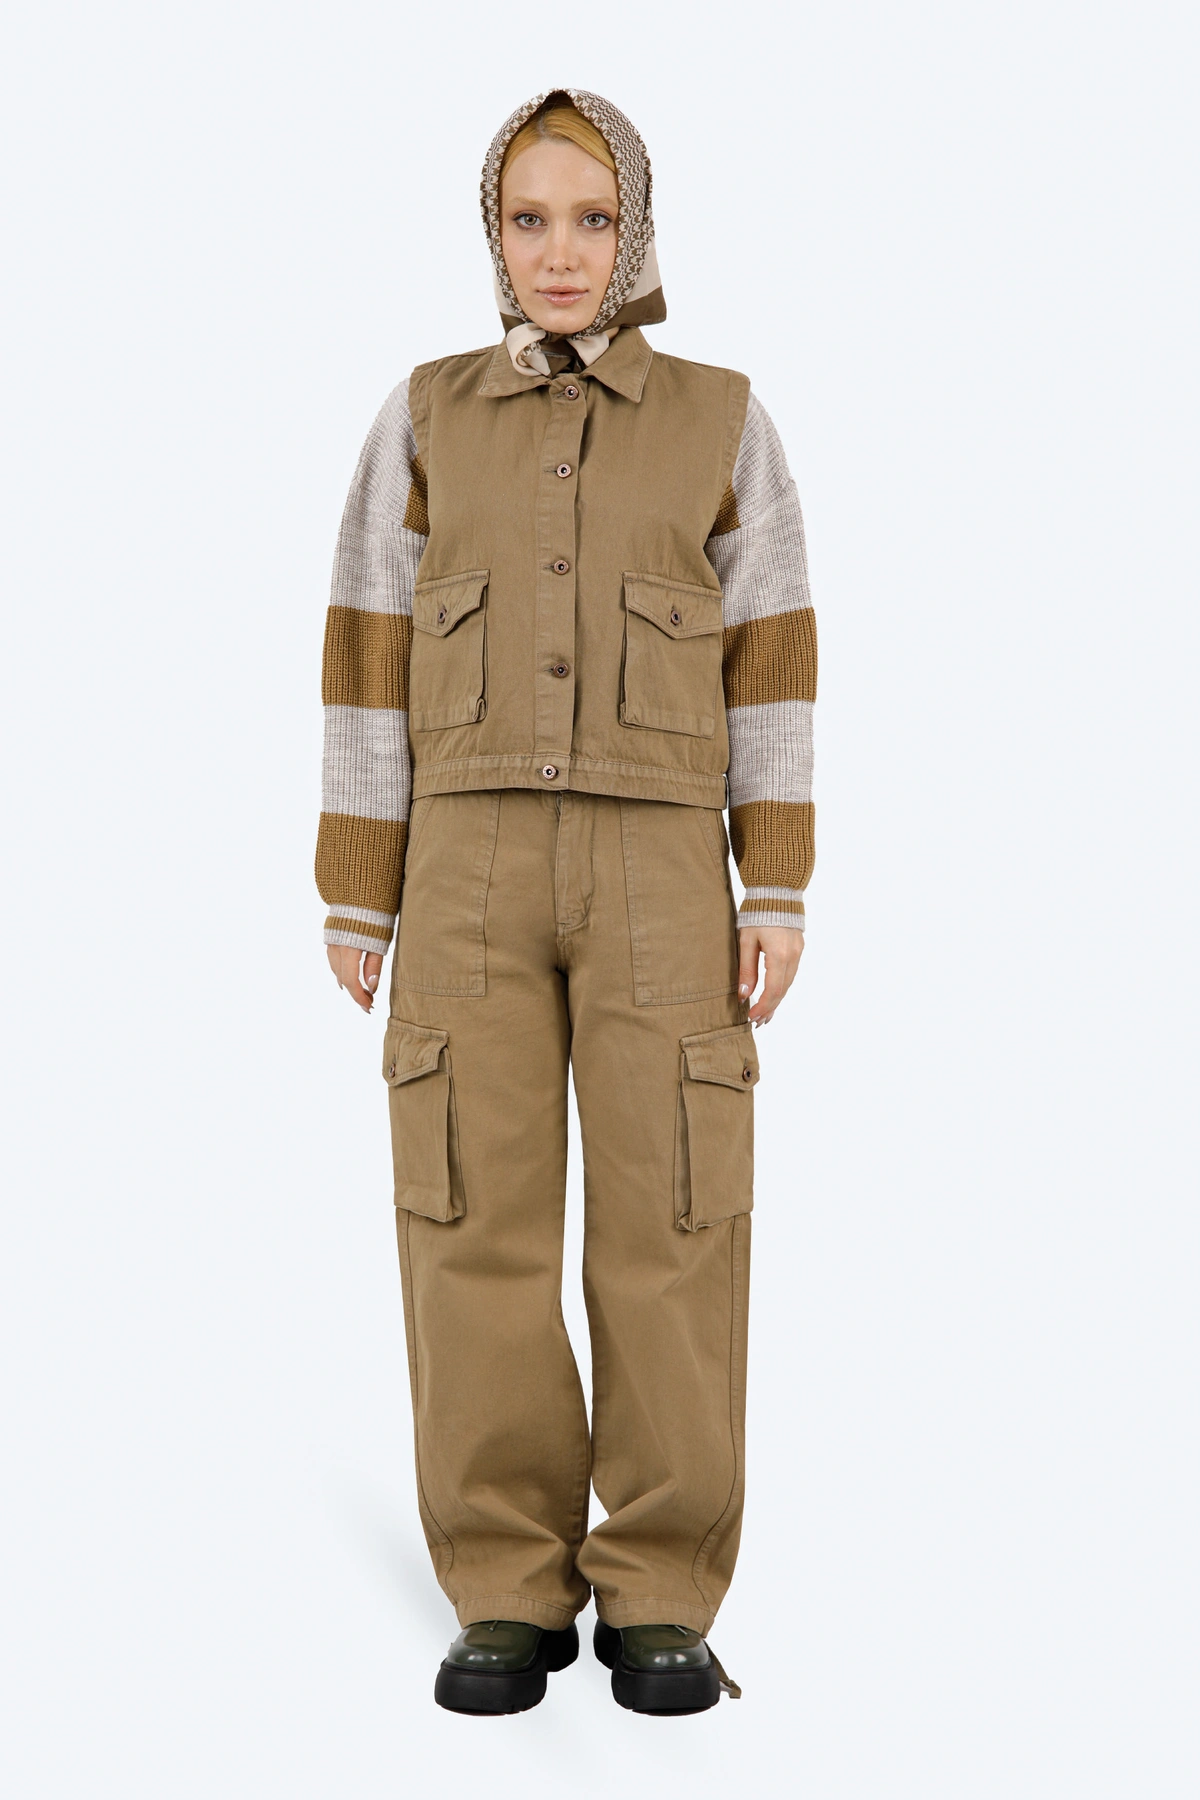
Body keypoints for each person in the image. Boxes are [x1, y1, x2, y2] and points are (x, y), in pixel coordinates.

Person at [316, 87, 816, 1715]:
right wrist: (360, 887)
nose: (559, 253)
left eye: (592, 220)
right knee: (470, 1217)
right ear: (492, 233)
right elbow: (366, 645)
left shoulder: (723, 420)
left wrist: (776, 882)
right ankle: (507, 1585)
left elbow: (774, 654)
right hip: (462, 871)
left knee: (676, 1215)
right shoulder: (423, 417)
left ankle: (661, 1591)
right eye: (528, 220)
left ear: (637, 231)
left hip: (666, 874)